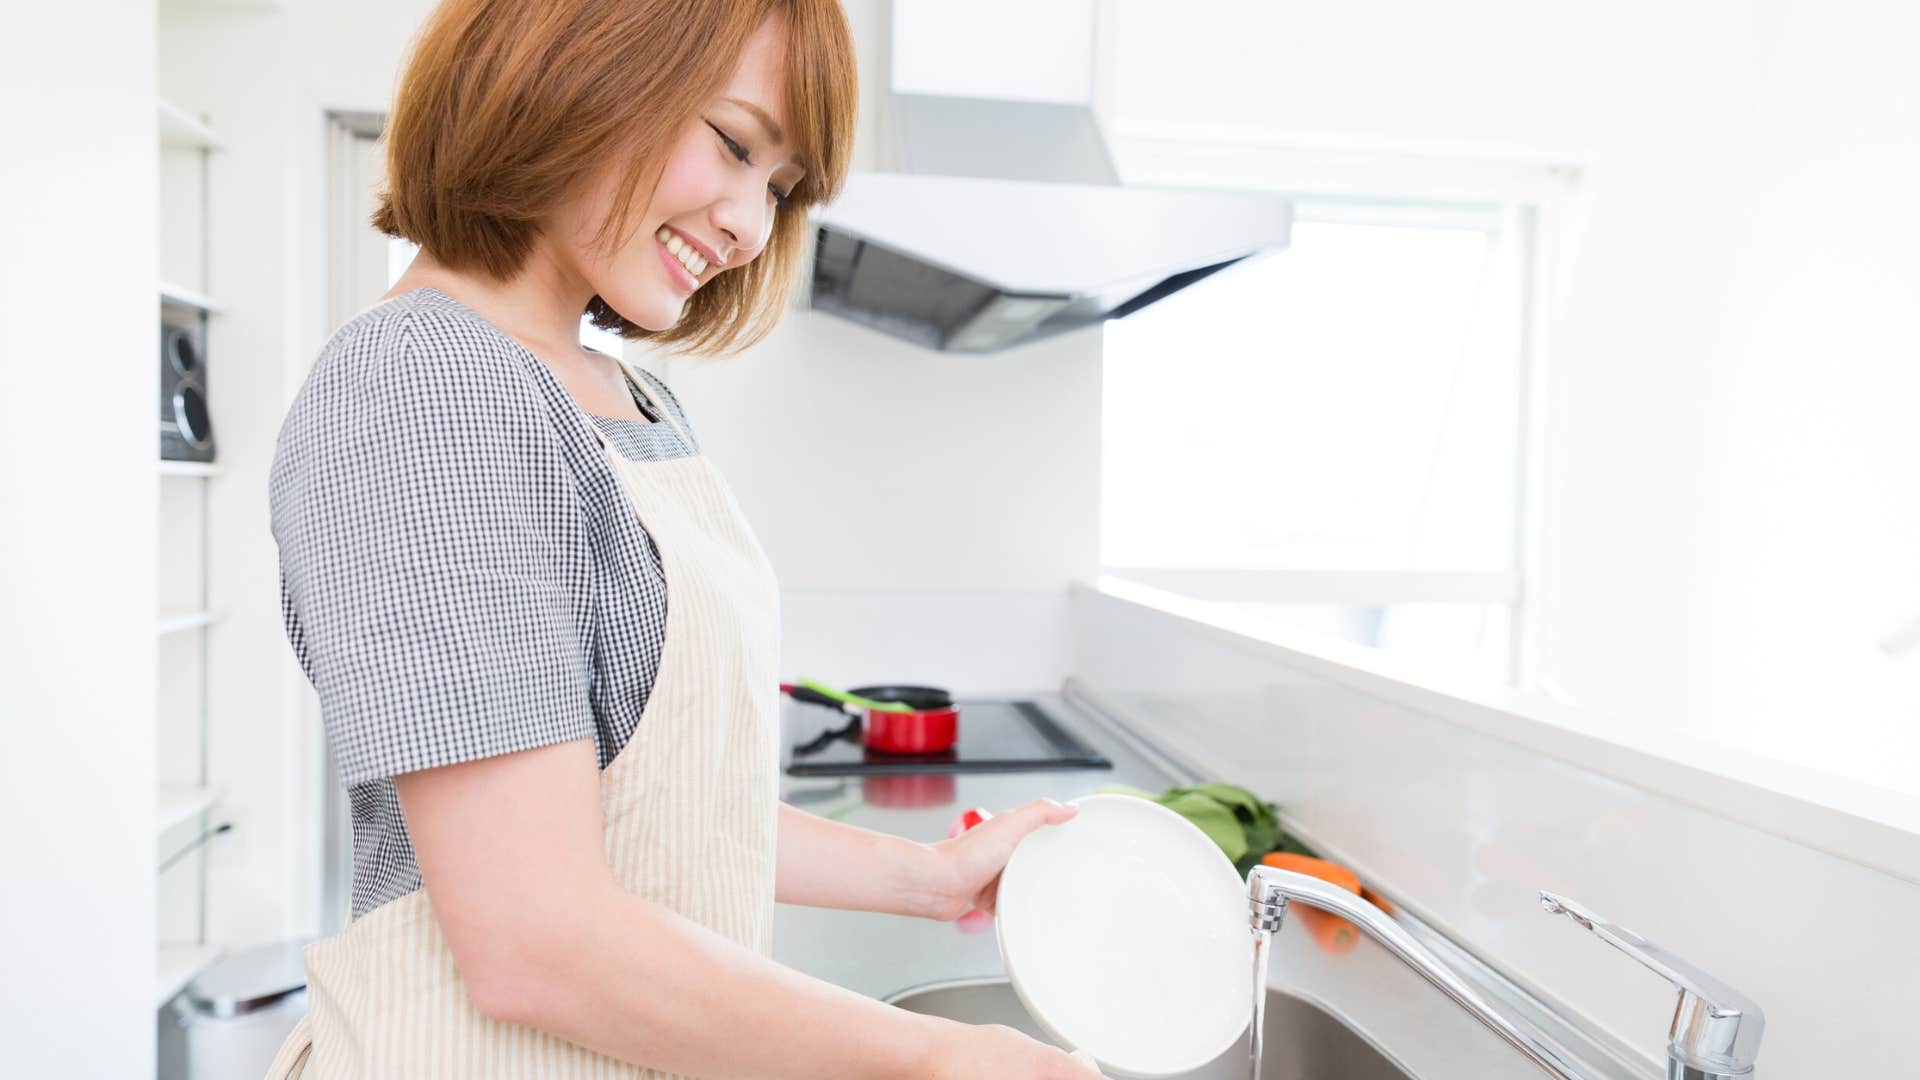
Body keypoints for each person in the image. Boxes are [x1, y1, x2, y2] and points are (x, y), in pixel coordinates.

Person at [263, 1, 1100, 1076]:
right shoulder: (431, 388)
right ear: (574, 63)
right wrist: (933, 1059)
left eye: (781, 188)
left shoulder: (626, 396)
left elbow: (656, 816)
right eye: (736, 144)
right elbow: (536, 939)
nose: (753, 225)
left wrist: (924, 880)